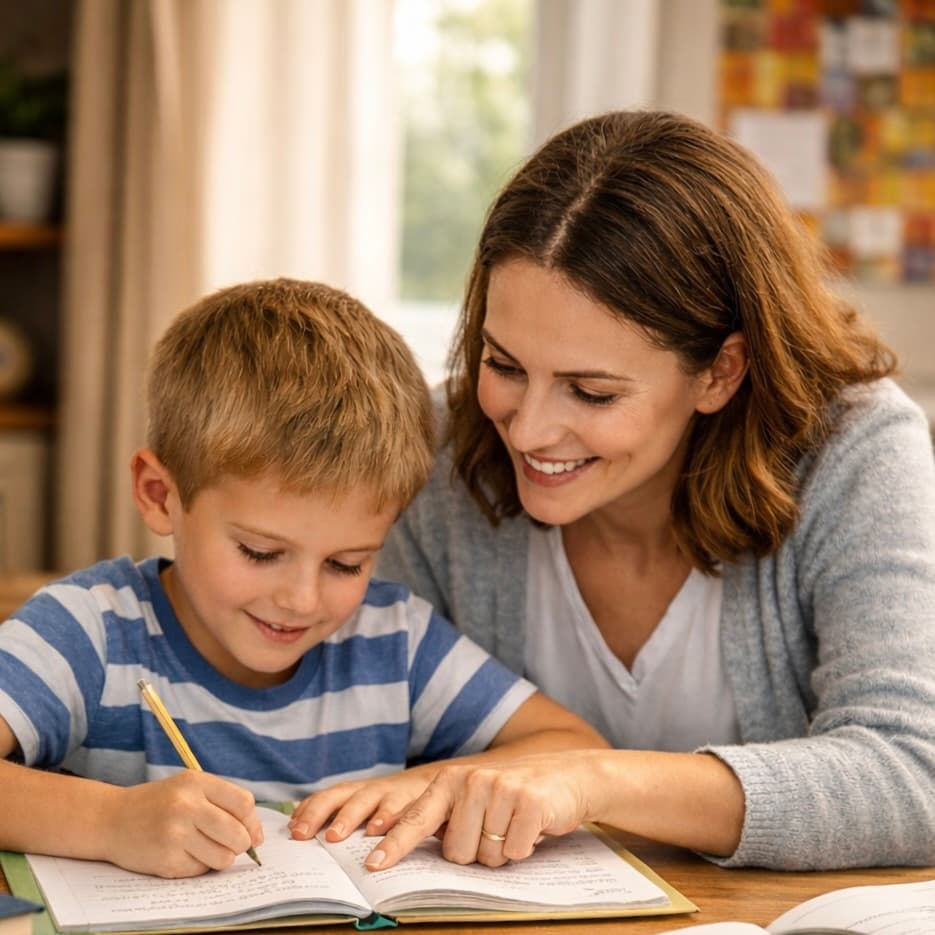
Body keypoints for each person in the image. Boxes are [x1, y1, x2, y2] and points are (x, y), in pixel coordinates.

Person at [361, 109, 935, 872]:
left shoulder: (852, 447)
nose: (527, 430)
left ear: (718, 371)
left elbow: (913, 773)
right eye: (502, 364)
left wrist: (589, 777)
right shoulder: (438, 445)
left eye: (590, 392)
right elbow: (346, 718)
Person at [0, 278, 605, 879]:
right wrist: (111, 822)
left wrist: (427, 784)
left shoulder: (393, 641)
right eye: (261, 552)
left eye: (348, 563)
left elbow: (576, 749)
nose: (302, 600)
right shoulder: (90, 631)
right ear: (161, 495)